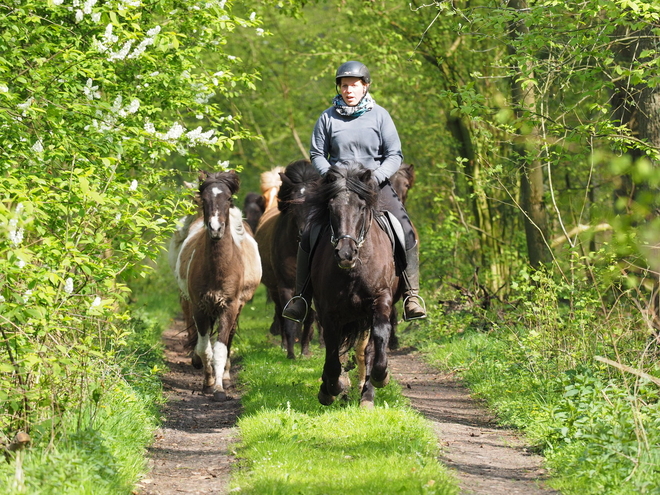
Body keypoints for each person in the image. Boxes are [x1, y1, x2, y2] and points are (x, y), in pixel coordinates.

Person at [282, 60, 426, 322]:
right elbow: (317, 153)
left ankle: (411, 295)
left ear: (365, 86)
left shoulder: (380, 115)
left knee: (404, 229)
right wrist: (332, 176)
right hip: (338, 187)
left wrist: (377, 177)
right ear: (339, 88)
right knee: (309, 232)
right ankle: (301, 297)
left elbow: (394, 154)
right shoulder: (327, 117)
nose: (348, 90)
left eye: (354, 86)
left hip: (374, 186)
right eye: (344, 85)